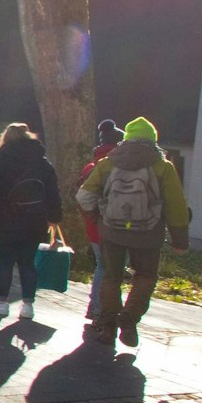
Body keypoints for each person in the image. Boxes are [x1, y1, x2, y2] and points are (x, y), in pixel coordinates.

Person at [77, 117, 190, 348]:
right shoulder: (163, 167)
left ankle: (108, 327)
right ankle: (128, 318)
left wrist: (96, 218)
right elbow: (176, 206)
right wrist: (180, 240)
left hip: (111, 231)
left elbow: (84, 196)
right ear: (153, 140)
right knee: (146, 276)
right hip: (148, 235)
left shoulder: (108, 163)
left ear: (125, 140)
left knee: (111, 277)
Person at [0, 123, 64, 322]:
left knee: (4, 262)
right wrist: (55, 216)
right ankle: (28, 306)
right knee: (28, 263)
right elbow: (52, 193)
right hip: (34, 220)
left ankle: (2, 303)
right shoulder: (42, 163)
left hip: (4, 218)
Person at [77, 119, 124, 321]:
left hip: (93, 226)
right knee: (109, 269)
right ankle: (98, 308)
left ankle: (95, 306)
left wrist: (91, 217)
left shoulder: (90, 167)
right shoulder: (121, 167)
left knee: (101, 266)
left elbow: (82, 197)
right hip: (115, 225)